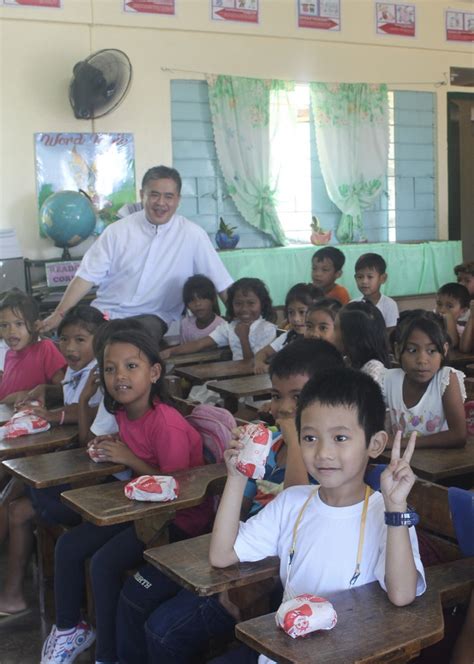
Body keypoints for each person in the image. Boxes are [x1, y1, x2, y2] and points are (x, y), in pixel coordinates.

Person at [115, 338, 345, 664]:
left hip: (262, 577)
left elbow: (296, 513)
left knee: (163, 631)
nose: (284, 407)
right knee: (136, 594)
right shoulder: (271, 443)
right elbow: (236, 512)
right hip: (232, 555)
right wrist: (237, 467)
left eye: (298, 397)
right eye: (277, 396)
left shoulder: (331, 464)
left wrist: (295, 440)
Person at [209, 368, 426, 664]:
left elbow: (402, 595)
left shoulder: (386, 512)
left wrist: (396, 508)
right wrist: (235, 477)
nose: (323, 452)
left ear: (374, 444)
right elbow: (223, 555)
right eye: (310, 438)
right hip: (282, 654)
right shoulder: (292, 502)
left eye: (340, 437)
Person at [41, 328, 210, 664]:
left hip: (178, 521)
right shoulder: (123, 412)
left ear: (155, 372)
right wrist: (107, 449)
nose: (119, 376)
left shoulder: (167, 423)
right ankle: (69, 629)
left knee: (104, 563)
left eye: (131, 366)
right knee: (69, 545)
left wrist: (129, 459)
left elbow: (177, 491)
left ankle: (109, 655)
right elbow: (133, 460)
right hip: (143, 511)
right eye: (110, 368)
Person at [37, 166, 233, 335]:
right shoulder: (117, 231)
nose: (161, 203)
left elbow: (221, 282)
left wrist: (241, 321)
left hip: (154, 319)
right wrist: (59, 314)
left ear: (178, 200)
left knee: (129, 339)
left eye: (169, 196)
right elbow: (85, 276)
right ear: (142, 195)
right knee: (75, 334)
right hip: (106, 313)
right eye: (154, 195)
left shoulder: (193, 235)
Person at [0, 305, 106, 619]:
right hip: (72, 463)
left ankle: (14, 592)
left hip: (88, 477)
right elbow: (69, 391)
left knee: (15, 505)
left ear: (98, 340)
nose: (70, 348)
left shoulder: (102, 370)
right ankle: (12, 590)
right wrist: (43, 390)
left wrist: (53, 415)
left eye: (80, 340)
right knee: (10, 496)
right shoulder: (80, 368)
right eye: (64, 340)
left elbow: (89, 410)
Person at [382, 310, 466, 449]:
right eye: (412, 350)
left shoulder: (445, 379)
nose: (422, 360)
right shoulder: (388, 379)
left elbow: (458, 435)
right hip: (400, 465)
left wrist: (401, 444)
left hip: (440, 465)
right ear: (397, 350)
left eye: (431, 351)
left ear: (444, 351)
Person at [161, 278, 276, 362]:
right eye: (238, 304)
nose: (244, 309)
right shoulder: (229, 326)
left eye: (251, 303)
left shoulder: (267, 329)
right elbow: (199, 344)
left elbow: (254, 364)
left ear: (262, 304)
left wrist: (244, 338)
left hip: (257, 383)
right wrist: (171, 351)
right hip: (235, 378)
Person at [0, 289, 66, 403]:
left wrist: (28, 394)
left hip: (31, 418)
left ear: (35, 325)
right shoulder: (9, 354)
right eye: (4, 325)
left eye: (19, 324)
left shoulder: (45, 348)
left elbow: (64, 389)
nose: (11, 331)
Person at [254, 283, 322, 374]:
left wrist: (272, 368)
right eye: (291, 312)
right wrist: (259, 364)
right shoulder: (288, 336)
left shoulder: (317, 340)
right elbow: (263, 352)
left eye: (302, 312)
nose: (295, 319)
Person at [333, 301, 391, 383]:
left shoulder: (374, 370)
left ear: (351, 335)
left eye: (335, 328)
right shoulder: (346, 361)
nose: (332, 334)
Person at [352, 252, 399, 328]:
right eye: (360, 277)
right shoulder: (352, 305)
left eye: (370, 277)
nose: (364, 281)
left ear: (383, 278)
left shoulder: (389, 305)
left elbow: (390, 333)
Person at [179, 274, 225, 343]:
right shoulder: (185, 324)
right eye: (192, 300)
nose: (197, 304)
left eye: (202, 298)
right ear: (187, 305)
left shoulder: (222, 325)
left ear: (213, 300)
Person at [435, 282, 470, 348]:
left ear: (463, 311)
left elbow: (453, 344)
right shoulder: (430, 323)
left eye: (449, 306)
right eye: (439, 304)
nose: (442, 310)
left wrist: (449, 320)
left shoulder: (462, 330)